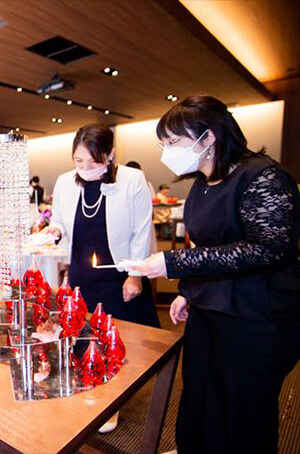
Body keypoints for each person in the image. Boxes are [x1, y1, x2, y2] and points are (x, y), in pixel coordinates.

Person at [133, 95, 299, 453]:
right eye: (163, 144)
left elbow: (266, 248)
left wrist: (174, 264)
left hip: (255, 314)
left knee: (242, 408)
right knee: (199, 393)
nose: (167, 152)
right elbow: (208, 247)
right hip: (209, 311)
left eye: (173, 142)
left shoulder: (263, 176)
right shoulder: (202, 183)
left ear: (208, 137)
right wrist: (189, 292)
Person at [45, 124, 158, 433]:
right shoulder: (65, 181)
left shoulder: (132, 179)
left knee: (118, 339)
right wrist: (54, 230)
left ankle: (113, 402)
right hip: (82, 272)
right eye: (78, 161)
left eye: (92, 162)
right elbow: (59, 220)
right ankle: (91, 394)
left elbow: (141, 231)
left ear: (110, 155)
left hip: (119, 273)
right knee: (82, 336)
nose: (84, 168)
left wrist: (134, 276)